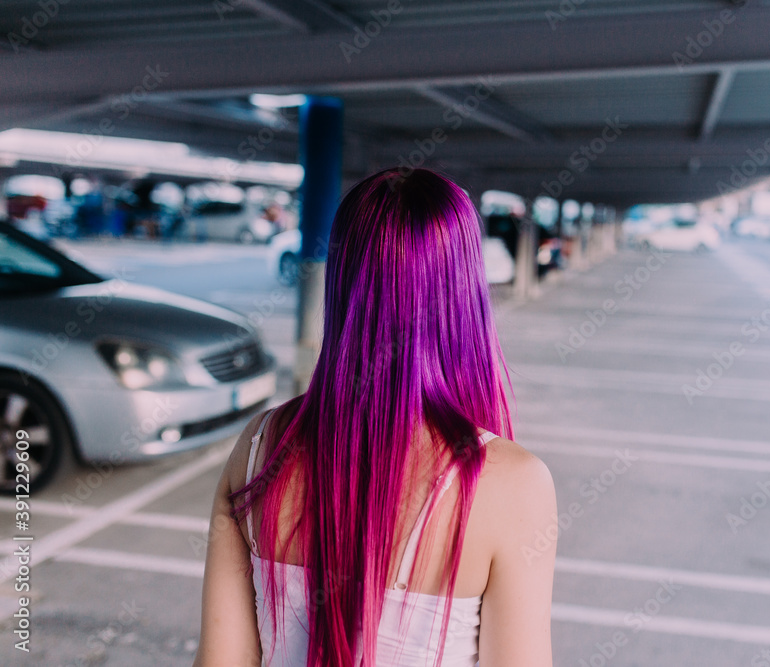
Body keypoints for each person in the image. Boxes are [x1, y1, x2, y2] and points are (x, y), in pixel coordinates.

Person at [194, 168, 557, 667]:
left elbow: (219, 662)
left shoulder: (257, 449)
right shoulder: (513, 485)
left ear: (342, 283)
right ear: (466, 292)